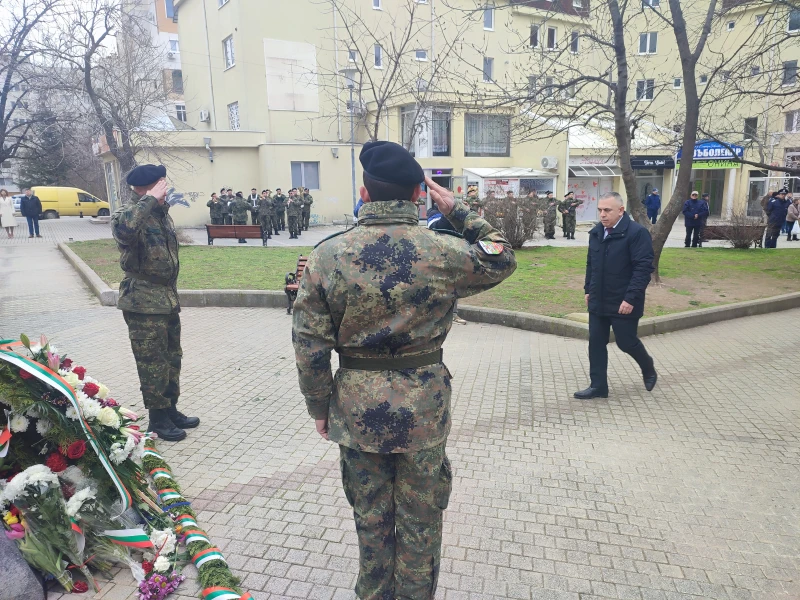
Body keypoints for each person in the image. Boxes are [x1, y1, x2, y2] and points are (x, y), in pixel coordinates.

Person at [292, 141, 517, 600]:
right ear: (420, 194)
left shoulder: (328, 255)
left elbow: (310, 343)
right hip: (422, 411)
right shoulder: (444, 250)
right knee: (420, 521)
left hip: (356, 410)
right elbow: (501, 256)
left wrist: (319, 405)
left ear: (363, 192)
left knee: (371, 518)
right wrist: (458, 210)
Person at [111, 164, 199, 442]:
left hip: (166, 298)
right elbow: (125, 232)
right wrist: (149, 200)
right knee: (152, 361)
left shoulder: (159, 214)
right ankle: (158, 419)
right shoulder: (127, 214)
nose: (165, 188)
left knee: (172, 357)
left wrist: (156, 204)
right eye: (161, 183)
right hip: (142, 301)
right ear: (145, 188)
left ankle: (170, 409)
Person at [575, 191, 657, 400]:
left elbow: (642, 269)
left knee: (626, 342)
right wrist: (588, 289)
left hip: (624, 301)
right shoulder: (596, 233)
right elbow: (591, 264)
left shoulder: (636, 233)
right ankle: (598, 386)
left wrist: (630, 298)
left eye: (607, 210)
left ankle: (648, 367)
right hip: (598, 298)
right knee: (596, 342)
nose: (602, 215)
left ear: (621, 211)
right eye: (600, 210)